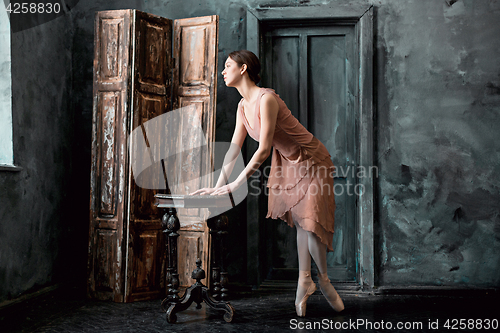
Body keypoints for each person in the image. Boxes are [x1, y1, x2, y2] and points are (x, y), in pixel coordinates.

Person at [190, 50, 344, 316]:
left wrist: (234, 185)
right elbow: (233, 151)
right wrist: (218, 185)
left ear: (243, 68)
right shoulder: (241, 106)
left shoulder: (267, 99)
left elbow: (262, 150)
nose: (223, 71)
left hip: (312, 159)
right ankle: (305, 281)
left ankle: (323, 280)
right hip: (288, 160)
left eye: (227, 66)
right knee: (300, 222)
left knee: (311, 221)